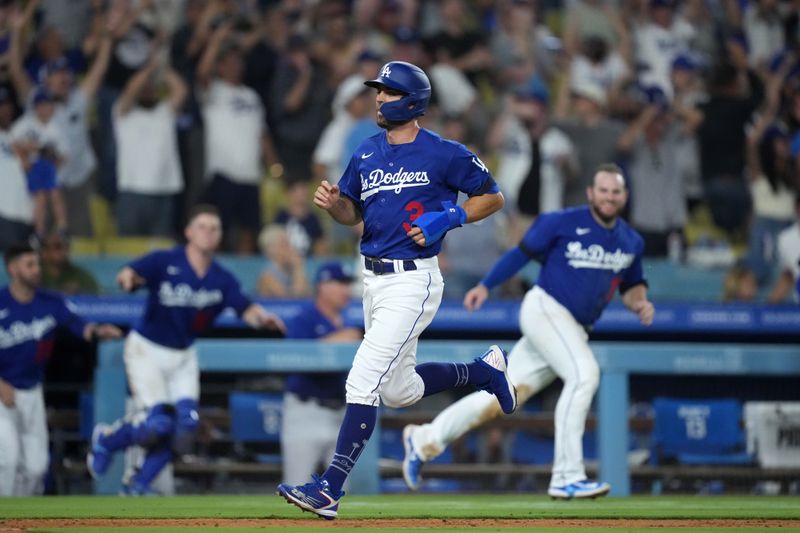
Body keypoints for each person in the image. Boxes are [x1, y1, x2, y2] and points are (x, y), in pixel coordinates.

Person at [277, 60, 515, 520]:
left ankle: (330, 487)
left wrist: (452, 216)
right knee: (398, 391)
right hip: (373, 278)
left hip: (414, 279)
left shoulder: (445, 152)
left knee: (362, 378)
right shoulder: (366, 151)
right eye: (378, 91)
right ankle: (484, 372)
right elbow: (353, 216)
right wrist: (335, 207)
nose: (378, 98)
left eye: (386, 92)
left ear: (410, 100)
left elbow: (493, 196)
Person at [402, 164, 655, 500]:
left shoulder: (630, 241)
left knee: (501, 396)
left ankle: (425, 439)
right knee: (585, 375)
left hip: (574, 328)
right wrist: (485, 285)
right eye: (603, 190)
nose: (609, 197)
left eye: (616, 191)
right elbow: (520, 255)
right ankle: (567, 476)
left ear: (624, 197)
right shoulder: (562, 221)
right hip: (546, 309)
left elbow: (632, 285)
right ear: (591, 193)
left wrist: (639, 303)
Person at [86, 204, 285, 495]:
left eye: (214, 228)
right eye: (202, 226)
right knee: (157, 424)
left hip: (183, 354)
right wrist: (127, 278)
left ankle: (138, 485)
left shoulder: (220, 277)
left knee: (186, 425)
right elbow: (131, 272)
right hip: (148, 349)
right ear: (189, 232)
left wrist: (262, 318)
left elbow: (244, 307)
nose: (208, 233)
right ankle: (107, 439)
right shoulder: (166, 260)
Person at [0, 243, 121, 496]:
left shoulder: (50, 301)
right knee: (6, 462)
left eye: (37, 264)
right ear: (12, 268)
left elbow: (77, 324)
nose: (36, 270)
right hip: (3, 390)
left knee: (36, 467)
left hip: (32, 390)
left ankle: (19, 521)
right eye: (29, 265)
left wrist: (98, 331)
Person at [281, 261, 362, 486]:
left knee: (339, 491)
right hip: (306, 411)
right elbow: (291, 358)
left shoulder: (347, 321)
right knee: (296, 485)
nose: (345, 290)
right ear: (323, 286)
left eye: (347, 284)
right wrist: (337, 340)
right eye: (339, 283)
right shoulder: (304, 318)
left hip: (340, 413)